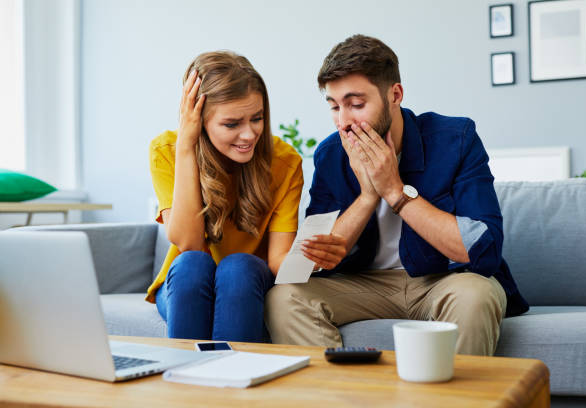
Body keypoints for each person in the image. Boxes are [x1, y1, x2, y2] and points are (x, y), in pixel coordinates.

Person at [265, 35, 528, 356]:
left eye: (356, 104)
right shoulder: (331, 155)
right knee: (285, 298)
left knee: (476, 295)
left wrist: (394, 191)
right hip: (363, 286)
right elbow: (307, 262)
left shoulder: (456, 139)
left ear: (395, 94)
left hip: (443, 282)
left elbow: (481, 248)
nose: (344, 122)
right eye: (335, 107)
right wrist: (366, 197)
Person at [146, 51, 303, 342]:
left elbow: (277, 261)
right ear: (199, 120)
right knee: (192, 263)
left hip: (246, 283)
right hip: (188, 283)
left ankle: (233, 380)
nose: (249, 135)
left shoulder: (285, 161)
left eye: (257, 118)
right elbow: (189, 243)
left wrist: (313, 259)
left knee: (238, 267)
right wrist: (186, 146)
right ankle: (186, 381)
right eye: (232, 124)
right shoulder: (166, 151)